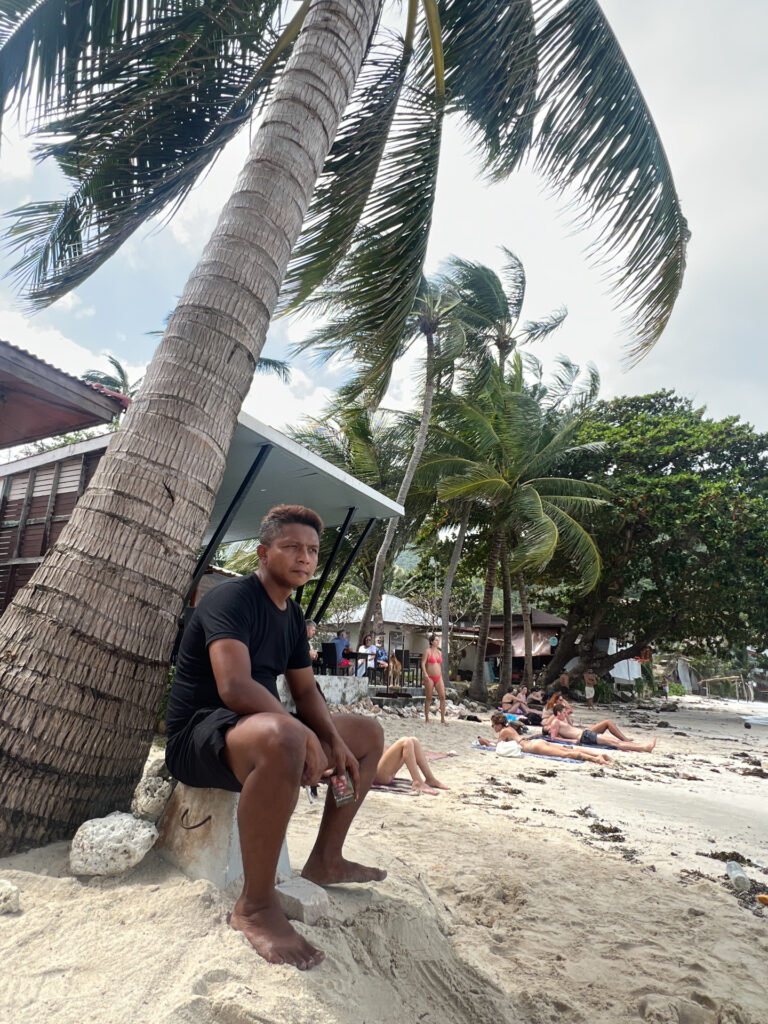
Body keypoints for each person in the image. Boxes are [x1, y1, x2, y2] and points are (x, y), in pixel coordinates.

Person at [164, 504, 386, 971]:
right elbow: (235, 687)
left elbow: (305, 690)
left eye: (311, 550)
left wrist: (331, 739)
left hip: (260, 729)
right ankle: (255, 906)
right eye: (291, 548)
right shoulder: (231, 600)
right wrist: (299, 733)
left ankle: (326, 858)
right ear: (263, 553)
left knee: (365, 733)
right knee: (285, 734)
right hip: (201, 736)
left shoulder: (291, 614)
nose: (304, 558)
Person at [478, 714, 613, 766]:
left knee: (566, 754)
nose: (493, 728)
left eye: (493, 725)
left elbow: (497, 747)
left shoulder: (503, 731)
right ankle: (599, 755)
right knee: (566, 749)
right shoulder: (510, 728)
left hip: (532, 747)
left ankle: (596, 759)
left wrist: (485, 743)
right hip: (535, 743)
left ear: (498, 724)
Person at [547, 702, 656, 752]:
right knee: (614, 743)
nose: (566, 714)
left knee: (613, 741)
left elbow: (570, 725)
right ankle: (644, 748)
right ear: (558, 713)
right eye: (563, 712)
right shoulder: (555, 722)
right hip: (584, 737)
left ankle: (640, 746)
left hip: (585, 734)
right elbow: (553, 738)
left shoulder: (562, 720)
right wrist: (570, 741)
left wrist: (566, 711)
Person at [374, 736, 449, 795]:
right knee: (406, 741)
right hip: (376, 776)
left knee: (413, 740)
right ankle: (417, 782)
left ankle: (430, 779)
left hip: (380, 772)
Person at [421, 634, 446, 725]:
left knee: (443, 697)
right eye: (436, 640)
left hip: (439, 677)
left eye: (438, 640)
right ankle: (427, 719)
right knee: (429, 698)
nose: (438, 641)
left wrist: (441, 675)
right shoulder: (427, 651)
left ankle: (442, 719)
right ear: (431, 642)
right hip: (429, 677)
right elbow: (423, 663)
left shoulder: (440, 652)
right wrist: (425, 674)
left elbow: (438, 664)